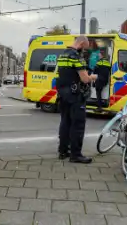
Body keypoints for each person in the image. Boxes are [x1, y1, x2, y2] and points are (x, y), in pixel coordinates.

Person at [56, 35, 97, 164]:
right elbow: (84, 78)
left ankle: (63, 151)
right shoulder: (76, 57)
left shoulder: (62, 55)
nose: (84, 51)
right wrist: (93, 77)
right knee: (78, 125)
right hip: (75, 95)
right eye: (84, 48)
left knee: (65, 123)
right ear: (81, 44)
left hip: (63, 94)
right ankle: (76, 155)